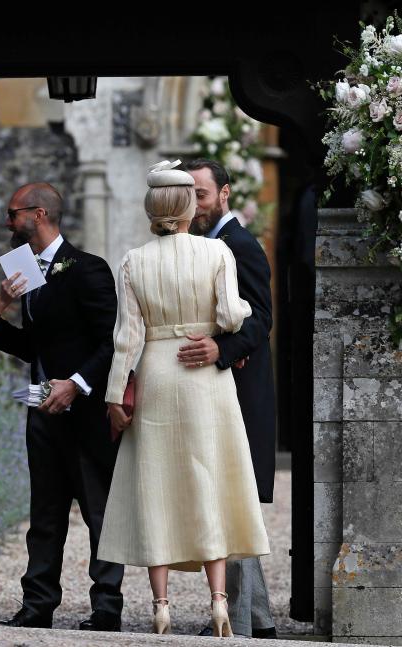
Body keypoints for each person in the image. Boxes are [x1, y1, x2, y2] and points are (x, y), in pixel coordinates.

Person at [100, 160, 270, 637]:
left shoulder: (133, 260)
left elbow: (125, 340)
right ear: (190, 204)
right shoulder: (217, 254)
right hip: (202, 379)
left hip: (156, 372)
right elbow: (234, 315)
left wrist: (116, 396)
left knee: (157, 484)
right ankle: (219, 603)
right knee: (208, 481)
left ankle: (161, 605)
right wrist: (227, 319)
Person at [0, 182, 124, 631]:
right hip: (40, 408)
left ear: (38, 215)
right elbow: (33, 346)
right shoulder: (24, 269)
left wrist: (77, 384)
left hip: (84, 414)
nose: (6, 222)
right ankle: (37, 604)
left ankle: (106, 609)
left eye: (12, 214)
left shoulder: (88, 268)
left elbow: (111, 341)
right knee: (43, 514)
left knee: (99, 514)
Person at [180, 158, 278, 639]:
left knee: (228, 507)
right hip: (211, 391)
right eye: (188, 194)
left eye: (201, 193)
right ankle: (257, 618)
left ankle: (240, 620)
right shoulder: (196, 246)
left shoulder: (240, 245)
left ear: (224, 194)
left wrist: (223, 348)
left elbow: (261, 319)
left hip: (239, 394)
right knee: (224, 505)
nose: (194, 203)